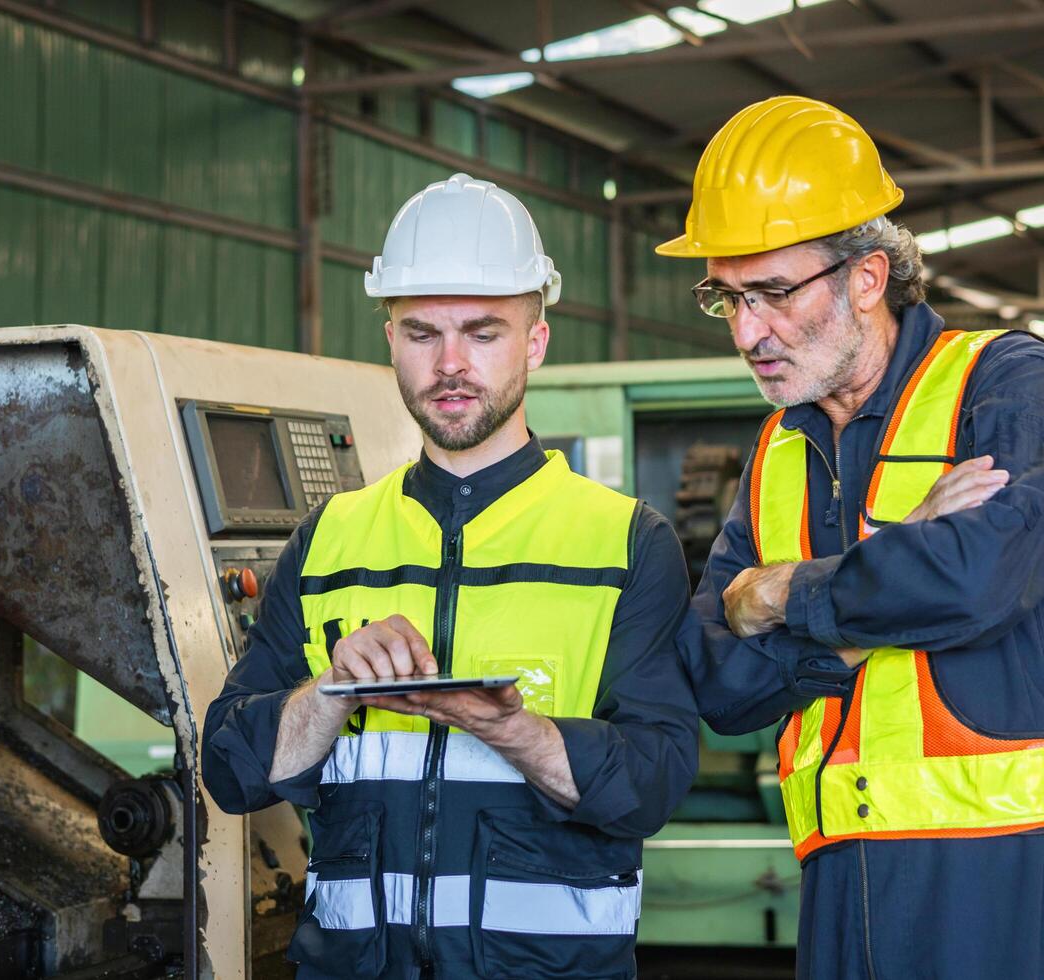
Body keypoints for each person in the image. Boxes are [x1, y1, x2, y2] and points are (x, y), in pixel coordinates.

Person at [663, 97, 1044, 979]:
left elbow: (973, 585)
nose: (746, 332)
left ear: (867, 278)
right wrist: (885, 574)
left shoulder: (1007, 383)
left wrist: (779, 595)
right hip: (844, 887)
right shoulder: (777, 452)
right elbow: (719, 684)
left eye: (772, 292)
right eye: (727, 296)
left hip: (1016, 880)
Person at [202, 172, 699, 979]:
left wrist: (509, 728)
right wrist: (328, 694)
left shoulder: (626, 544)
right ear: (389, 339)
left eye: (483, 332)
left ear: (535, 341)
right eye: (423, 332)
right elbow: (227, 773)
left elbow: (653, 783)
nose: (452, 363)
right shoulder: (329, 539)